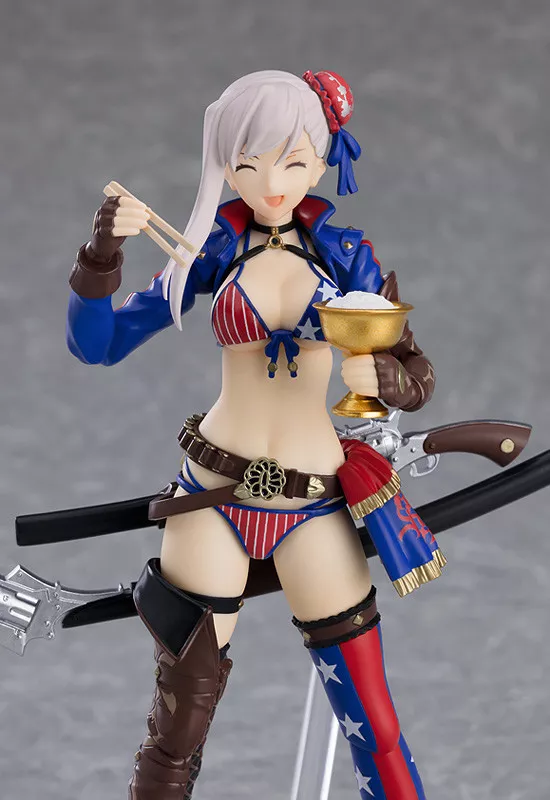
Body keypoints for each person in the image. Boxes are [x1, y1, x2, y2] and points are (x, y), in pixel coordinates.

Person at [67, 69, 435, 800]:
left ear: (323, 162)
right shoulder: (206, 250)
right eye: (249, 161)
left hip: (314, 499)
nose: (271, 183)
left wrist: (384, 379)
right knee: (176, 732)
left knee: (375, 724)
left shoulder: (346, 255)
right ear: (224, 163)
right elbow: (97, 344)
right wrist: (101, 255)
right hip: (214, 492)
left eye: (293, 162)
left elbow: (415, 372)